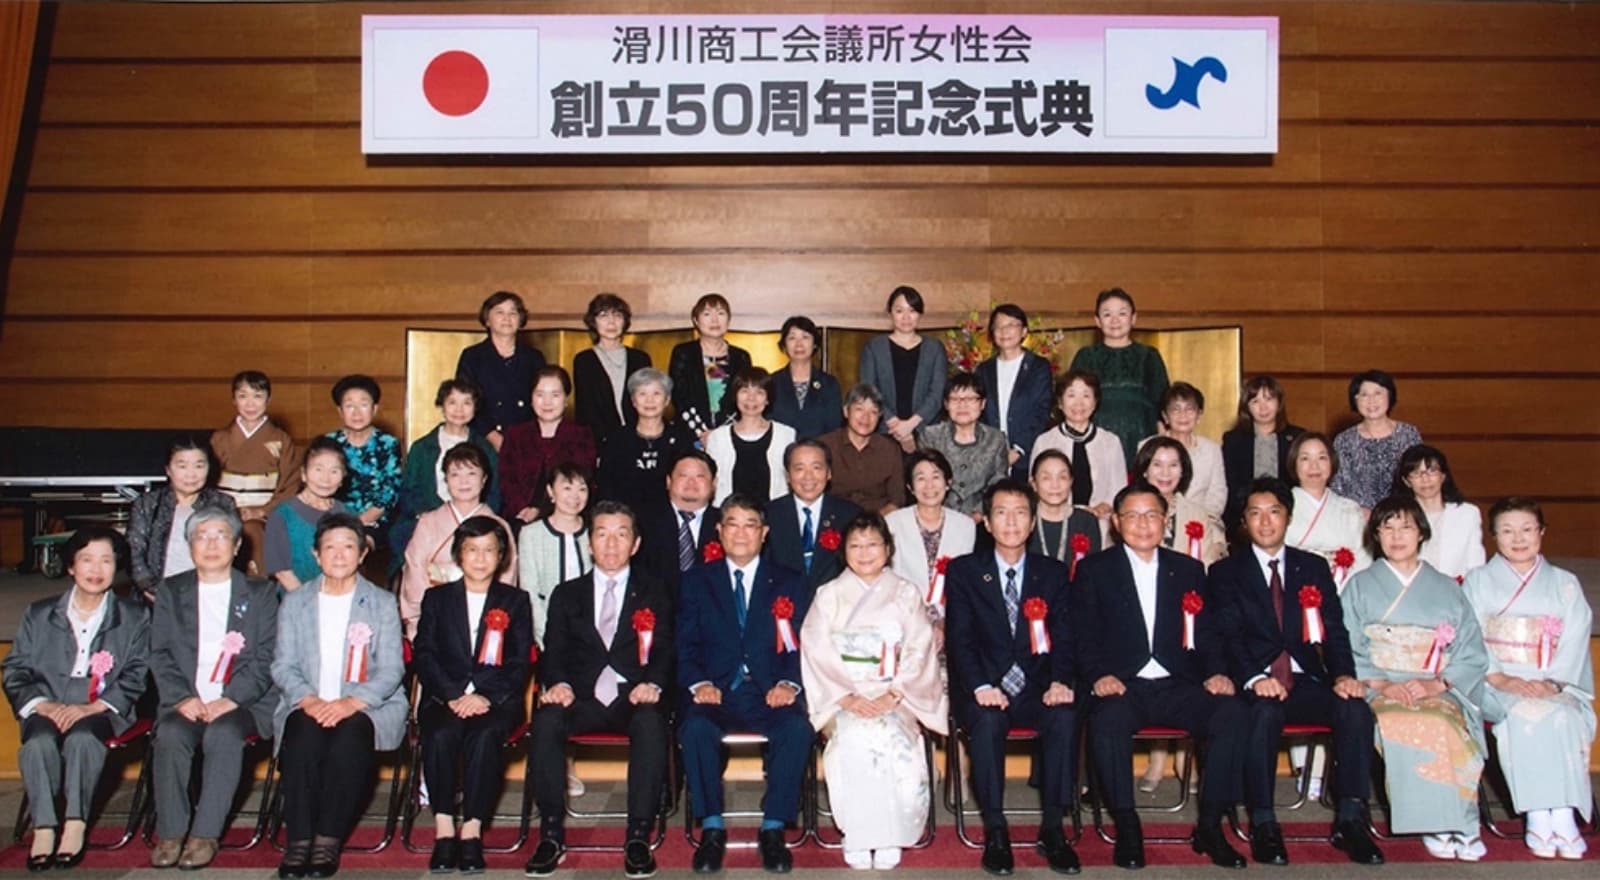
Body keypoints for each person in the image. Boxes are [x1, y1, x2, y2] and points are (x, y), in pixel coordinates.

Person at [1210, 480, 1384, 867]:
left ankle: (1351, 820)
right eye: (1255, 513)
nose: (1265, 521)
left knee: (1355, 710)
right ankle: (1263, 822)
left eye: (1274, 512)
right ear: (1243, 522)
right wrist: (1255, 679)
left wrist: (1343, 675)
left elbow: (1334, 629)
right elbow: (1228, 637)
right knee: (1263, 713)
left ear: (1288, 517)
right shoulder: (1225, 572)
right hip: (1256, 681)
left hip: (1305, 679)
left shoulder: (1313, 567)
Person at [1074, 483, 1248, 870]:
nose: (1143, 524)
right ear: (1116, 523)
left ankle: (1210, 826)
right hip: (1123, 684)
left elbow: (1207, 632)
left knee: (1231, 713)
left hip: (1178, 683)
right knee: (1107, 721)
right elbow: (1082, 634)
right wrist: (1099, 675)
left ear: (1166, 521)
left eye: (1152, 515)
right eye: (1132, 516)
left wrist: (1216, 672)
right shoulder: (1094, 570)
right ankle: (1127, 825)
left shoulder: (1187, 569)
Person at [525, 501, 673, 880]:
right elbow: (554, 650)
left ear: (635, 544)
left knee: (651, 723)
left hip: (632, 696)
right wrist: (559, 684)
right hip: (581, 697)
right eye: (602, 534)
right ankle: (551, 834)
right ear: (589, 543)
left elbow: (665, 649)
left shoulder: (654, 591)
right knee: (545, 721)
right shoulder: (566, 594)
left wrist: (653, 683)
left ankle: (638, 836)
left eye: (621, 535)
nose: (611, 544)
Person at [944, 481, 1081, 874]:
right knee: (987, 724)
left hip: (1037, 687)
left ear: (1033, 521)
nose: (1011, 521)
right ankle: (996, 830)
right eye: (1001, 513)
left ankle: (1053, 829)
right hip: (984, 688)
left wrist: (1060, 681)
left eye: (1021, 512)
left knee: (1065, 716)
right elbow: (960, 639)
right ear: (987, 522)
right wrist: (981, 686)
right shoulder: (965, 571)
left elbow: (1065, 636)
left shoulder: (1052, 573)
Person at [1342, 496, 1488, 860]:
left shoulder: (1447, 587)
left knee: (1444, 720)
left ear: (1421, 532)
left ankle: (1463, 821)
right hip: (1380, 685)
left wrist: (1437, 684)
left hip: (1435, 684)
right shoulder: (1359, 585)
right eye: (1387, 527)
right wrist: (1382, 684)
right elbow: (1347, 644)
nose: (1396, 536)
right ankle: (1436, 822)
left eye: (1405, 527)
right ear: (1375, 535)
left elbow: (1470, 649)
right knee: (1407, 721)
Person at [677, 495, 814, 873]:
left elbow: (805, 644)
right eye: (732, 524)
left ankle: (773, 829)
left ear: (764, 532)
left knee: (797, 729)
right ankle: (711, 828)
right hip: (716, 691)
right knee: (696, 728)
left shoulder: (790, 581)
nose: (741, 533)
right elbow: (684, 645)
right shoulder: (696, 581)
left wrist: (788, 683)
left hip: (768, 691)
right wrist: (699, 683)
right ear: (719, 531)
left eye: (750, 524)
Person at [802, 512, 947, 870]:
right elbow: (816, 648)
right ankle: (858, 834)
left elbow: (919, 647)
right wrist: (846, 697)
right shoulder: (829, 594)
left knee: (891, 737)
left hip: (897, 692)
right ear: (844, 551)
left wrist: (893, 694)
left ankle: (890, 834)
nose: (864, 553)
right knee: (853, 738)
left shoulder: (905, 593)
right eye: (855, 545)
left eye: (872, 544)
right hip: (843, 694)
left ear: (888, 549)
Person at [2, 527, 150, 871]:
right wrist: (43, 704)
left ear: (117, 567)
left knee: (83, 738)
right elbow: (15, 669)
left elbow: (138, 672)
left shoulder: (134, 616)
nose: (96, 569)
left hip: (102, 706)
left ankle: (75, 823)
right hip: (48, 702)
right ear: (70, 566)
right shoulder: (39, 614)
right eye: (87, 560)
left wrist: (94, 706)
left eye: (106, 561)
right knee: (38, 742)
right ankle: (43, 827)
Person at [270, 513, 408, 878]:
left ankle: (327, 840)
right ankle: (299, 840)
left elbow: (391, 669)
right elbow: (283, 666)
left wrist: (350, 703)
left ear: (362, 554)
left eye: (348, 546)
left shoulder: (381, 602)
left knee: (351, 736)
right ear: (316, 555)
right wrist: (309, 700)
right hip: (308, 703)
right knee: (300, 735)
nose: (339, 554)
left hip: (367, 706)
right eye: (329, 547)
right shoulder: (295, 602)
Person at [148, 504, 279, 870]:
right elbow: (159, 653)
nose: (211, 544)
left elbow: (267, 656)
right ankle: (171, 832)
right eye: (201, 537)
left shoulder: (261, 592)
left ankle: (205, 833)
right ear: (189, 546)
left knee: (223, 734)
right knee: (171, 733)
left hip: (243, 702)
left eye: (221, 536)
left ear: (236, 546)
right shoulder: (171, 591)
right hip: (186, 699)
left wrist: (231, 698)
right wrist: (181, 697)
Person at [1463, 497, 1594, 860]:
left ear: (1542, 532)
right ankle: (1538, 815)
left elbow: (1576, 636)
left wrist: (1554, 682)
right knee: (1523, 714)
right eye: (1507, 531)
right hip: (1495, 681)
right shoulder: (1478, 581)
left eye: (1526, 529)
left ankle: (1563, 815)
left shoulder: (1565, 583)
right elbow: (1469, 633)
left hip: (1552, 678)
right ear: (1493, 537)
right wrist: (1499, 677)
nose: (1518, 538)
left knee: (1564, 714)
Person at [414, 516, 534, 874]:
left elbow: (519, 660)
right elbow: (424, 654)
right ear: (458, 555)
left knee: (485, 736)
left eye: (489, 550)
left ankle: (472, 831)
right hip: (444, 697)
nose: (480, 559)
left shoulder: (515, 601)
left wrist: (484, 696)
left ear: (502, 556)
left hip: (497, 700)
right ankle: (444, 829)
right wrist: (452, 694)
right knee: (440, 733)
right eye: (472, 550)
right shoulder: (436, 598)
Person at [516, 461, 594, 800]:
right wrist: (549, 638)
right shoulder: (532, 534)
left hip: (594, 636)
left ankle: (572, 760)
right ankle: (559, 765)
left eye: (581, 488)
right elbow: (530, 592)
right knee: (555, 688)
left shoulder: (595, 531)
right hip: (547, 634)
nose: (574, 496)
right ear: (550, 491)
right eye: (566, 487)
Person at [401, 444, 518, 638]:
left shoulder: (500, 526)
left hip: (485, 617)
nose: (463, 481)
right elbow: (415, 568)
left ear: (484, 479)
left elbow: (507, 575)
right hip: (436, 616)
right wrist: (427, 613)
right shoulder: (428, 522)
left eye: (471, 473)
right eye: (455, 474)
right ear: (445, 480)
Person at [391, 378, 500, 563]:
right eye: (452, 402)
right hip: (427, 519)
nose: (459, 409)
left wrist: (475, 516)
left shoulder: (485, 448)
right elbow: (408, 491)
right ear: (442, 405)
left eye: (467, 403)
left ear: (475, 408)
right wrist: (431, 515)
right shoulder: (421, 447)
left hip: (473, 520)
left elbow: (494, 492)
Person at [211, 370, 300, 577]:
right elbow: (209, 481)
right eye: (243, 396)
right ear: (233, 399)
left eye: (258, 396)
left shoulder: (280, 440)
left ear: (268, 399)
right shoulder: (219, 439)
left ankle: (258, 587)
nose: (250, 403)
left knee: (253, 531)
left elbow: (290, 484)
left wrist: (262, 511)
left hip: (265, 514)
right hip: (224, 510)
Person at [128, 434, 238, 600]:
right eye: (182, 466)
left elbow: (230, 550)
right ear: (168, 469)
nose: (191, 474)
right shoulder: (147, 504)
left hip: (209, 593)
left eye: (199, 466)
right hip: (156, 595)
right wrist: (151, 590)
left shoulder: (222, 504)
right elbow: (134, 552)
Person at [1067, 287, 1169, 466]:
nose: (1115, 320)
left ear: (1133, 318)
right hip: (1096, 437)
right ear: (1097, 321)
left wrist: (1162, 440)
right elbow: (1071, 400)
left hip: (1141, 436)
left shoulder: (1149, 356)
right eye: (1107, 314)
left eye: (1122, 313)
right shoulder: (1086, 356)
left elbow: (1162, 402)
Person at [499, 366, 596, 525]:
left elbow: (580, 482)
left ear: (566, 399)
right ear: (531, 399)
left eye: (555, 395)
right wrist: (522, 509)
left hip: (567, 517)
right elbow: (506, 479)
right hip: (519, 517)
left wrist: (541, 511)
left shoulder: (581, 435)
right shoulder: (515, 435)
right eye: (540, 394)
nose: (547, 402)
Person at [593, 369, 699, 513]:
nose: (650, 400)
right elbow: (605, 486)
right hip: (624, 517)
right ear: (633, 401)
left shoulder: (683, 438)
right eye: (642, 394)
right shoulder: (616, 439)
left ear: (667, 400)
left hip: (671, 517)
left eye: (656, 393)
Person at [1028, 369, 1127, 521]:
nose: (1079, 403)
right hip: (1056, 520)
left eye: (1086, 395)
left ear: (1095, 402)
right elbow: (1035, 487)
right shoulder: (1045, 441)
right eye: (1071, 395)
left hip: (1100, 522)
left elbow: (1119, 490)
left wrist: (1101, 508)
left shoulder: (1110, 442)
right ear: (1060, 402)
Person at [858, 285, 947, 453]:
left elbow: (937, 393)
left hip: (926, 432)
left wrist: (911, 425)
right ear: (890, 312)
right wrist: (896, 426)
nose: (906, 317)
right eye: (899, 311)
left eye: (912, 311)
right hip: (884, 431)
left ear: (920, 313)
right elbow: (869, 390)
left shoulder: (934, 348)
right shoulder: (874, 347)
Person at [764, 439, 861, 592]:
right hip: (781, 600)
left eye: (816, 467)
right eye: (799, 468)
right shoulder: (769, 515)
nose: (808, 476)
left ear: (829, 473)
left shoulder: (850, 515)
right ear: (788, 475)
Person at [455, 290, 547, 451]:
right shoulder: (472, 357)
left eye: (513, 313)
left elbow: (541, 400)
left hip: (525, 442)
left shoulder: (534, 358)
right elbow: (465, 400)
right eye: (499, 312)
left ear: (520, 320)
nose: (507, 318)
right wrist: (492, 436)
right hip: (483, 441)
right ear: (487, 320)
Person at [886, 450, 977, 611]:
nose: (929, 485)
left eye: (936, 477)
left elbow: (964, 582)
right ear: (910, 487)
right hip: (904, 611)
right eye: (921, 478)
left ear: (948, 483)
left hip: (951, 612)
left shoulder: (965, 526)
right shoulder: (893, 522)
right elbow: (891, 579)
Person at [975, 304, 1054, 481]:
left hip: (1027, 457)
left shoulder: (1038, 367)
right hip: (991, 457)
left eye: (1011, 325)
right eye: (998, 326)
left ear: (1024, 331)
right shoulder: (984, 370)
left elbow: (1042, 412)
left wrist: (1019, 449)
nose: (1004, 331)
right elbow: (978, 413)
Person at [1285, 432, 1370, 592]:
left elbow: (1363, 560)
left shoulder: (1350, 509)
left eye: (1322, 458)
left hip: (1344, 591)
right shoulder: (1281, 507)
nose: (1314, 466)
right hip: (1295, 590)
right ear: (1293, 463)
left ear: (1332, 462)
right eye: (1305, 458)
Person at [264, 437, 352, 592]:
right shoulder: (281, 515)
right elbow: (282, 573)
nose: (325, 479)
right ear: (303, 474)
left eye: (334, 471)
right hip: (295, 596)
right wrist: (309, 601)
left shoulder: (348, 514)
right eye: (318, 469)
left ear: (342, 478)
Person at [916, 372, 1009, 517]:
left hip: (982, 519)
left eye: (970, 399)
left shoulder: (996, 439)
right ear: (946, 404)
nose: (962, 405)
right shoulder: (930, 437)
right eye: (955, 399)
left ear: (982, 404)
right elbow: (924, 481)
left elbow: (998, 483)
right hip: (937, 515)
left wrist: (978, 513)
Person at [324, 374, 401, 546]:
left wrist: (358, 523)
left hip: (375, 520)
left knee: (357, 546)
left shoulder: (388, 443)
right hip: (333, 518)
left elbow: (389, 493)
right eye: (349, 406)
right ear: (340, 411)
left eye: (364, 405)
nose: (357, 412)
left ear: (374, 409)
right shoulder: (329, 443)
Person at [1330, 369, 1423, 511]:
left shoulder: (1408, 434)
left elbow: (1419, 478)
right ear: (1355, 400)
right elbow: (1338, 488)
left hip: (1402, 515)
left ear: (1390, 396)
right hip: (1358, 517)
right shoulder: (1344, 440)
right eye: (1364, 395)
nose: (1371, 401)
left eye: (1378, 393)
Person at [1221, 376, 1305, 530]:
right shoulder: (1234, 440)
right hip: (1245, 518)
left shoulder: (1297, 437)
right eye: (1255, 401)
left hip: (1291, 517)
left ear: (1279, 402)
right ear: (1247, 407)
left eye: (1268, 399)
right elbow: (1231, 486)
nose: (1263, 407)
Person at [1393, 444, 1486, 581]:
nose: (1425, 479)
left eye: (1432, 471)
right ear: (1406, 481)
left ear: (1443, 476)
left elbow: (1476, 564)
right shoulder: (1398, 518)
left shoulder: (1468, 513)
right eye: (1417, 473)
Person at [703, 368, 796, 505]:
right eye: (744, 391)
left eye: (759, 392)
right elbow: (711, 483)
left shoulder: (786, 435)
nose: (751, 398)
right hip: (728, 515)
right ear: (735, 396)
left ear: (768, 399)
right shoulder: (717, 438)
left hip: (774, 514)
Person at [668, 293, 753, 442]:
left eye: (720, 313)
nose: (714, 320)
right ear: (696, 320)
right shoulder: (683, 353)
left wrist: (721, 434)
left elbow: (744, 398)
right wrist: (702, 432)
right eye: (707, 314)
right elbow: (680, 397)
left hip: (730, 436)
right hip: (691, 435)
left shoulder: (741, 357)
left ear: (729, 319)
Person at [637, 450, 723, 596]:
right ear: (668, 482)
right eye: (683, 476)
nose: (691, 482)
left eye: (700, 476)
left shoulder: (726, 524)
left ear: (713, 483)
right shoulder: (644, 523)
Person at [572, 293, 652, 448]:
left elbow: (647, 401)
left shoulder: (640, 358)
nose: (611, 322)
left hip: (639, 437)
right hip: (600, 440)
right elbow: (585, 409)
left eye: (617, 315)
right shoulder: (584, 360)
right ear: (593, 321)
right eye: (603, 315)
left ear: (625, 321)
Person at [1134, 436, 1226, 568]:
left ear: (1182, 471)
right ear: (1144, 471)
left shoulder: (1197, 514)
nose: (1165, 473)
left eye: (1173, 465)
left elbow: (1205, 565)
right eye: (1157, 465)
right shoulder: (1130, 512)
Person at [1139, 382, 1227, 519]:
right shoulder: (1147, 446)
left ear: (1199, 416)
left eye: (1189, 409)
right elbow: (1141, 489)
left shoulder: (1211, 450)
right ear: (1165, 416)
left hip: (1202, 519)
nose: (1183, 415)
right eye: (1176, 410)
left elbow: (1217, 494)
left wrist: (1200, 519)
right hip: (1157, 518)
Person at [818, 384, 907, 514]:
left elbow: (897, 499)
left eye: (873, 412)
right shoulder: (824, 446)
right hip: (833, 519)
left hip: (878, 520)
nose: (866, 417)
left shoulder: (890, 449)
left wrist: (874, 522)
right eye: (859, 409)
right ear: (846, 411)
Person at [768, 315, 843, 441]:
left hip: (819, 451)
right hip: (781, 451)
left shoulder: (829, 384)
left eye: (805, 337)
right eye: (792, 338)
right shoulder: (772, 383)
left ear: (814, 344)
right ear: (784, 345)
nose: (799, 344)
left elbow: (834, 430)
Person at [1027, 449, 1101, 565]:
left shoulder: (1087, 521)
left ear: (1071, 482)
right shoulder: (1024, 520)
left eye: (1062, 477)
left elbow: (1094, 567)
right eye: (1046, 478)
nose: (1055, 485)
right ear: (1034, 484)